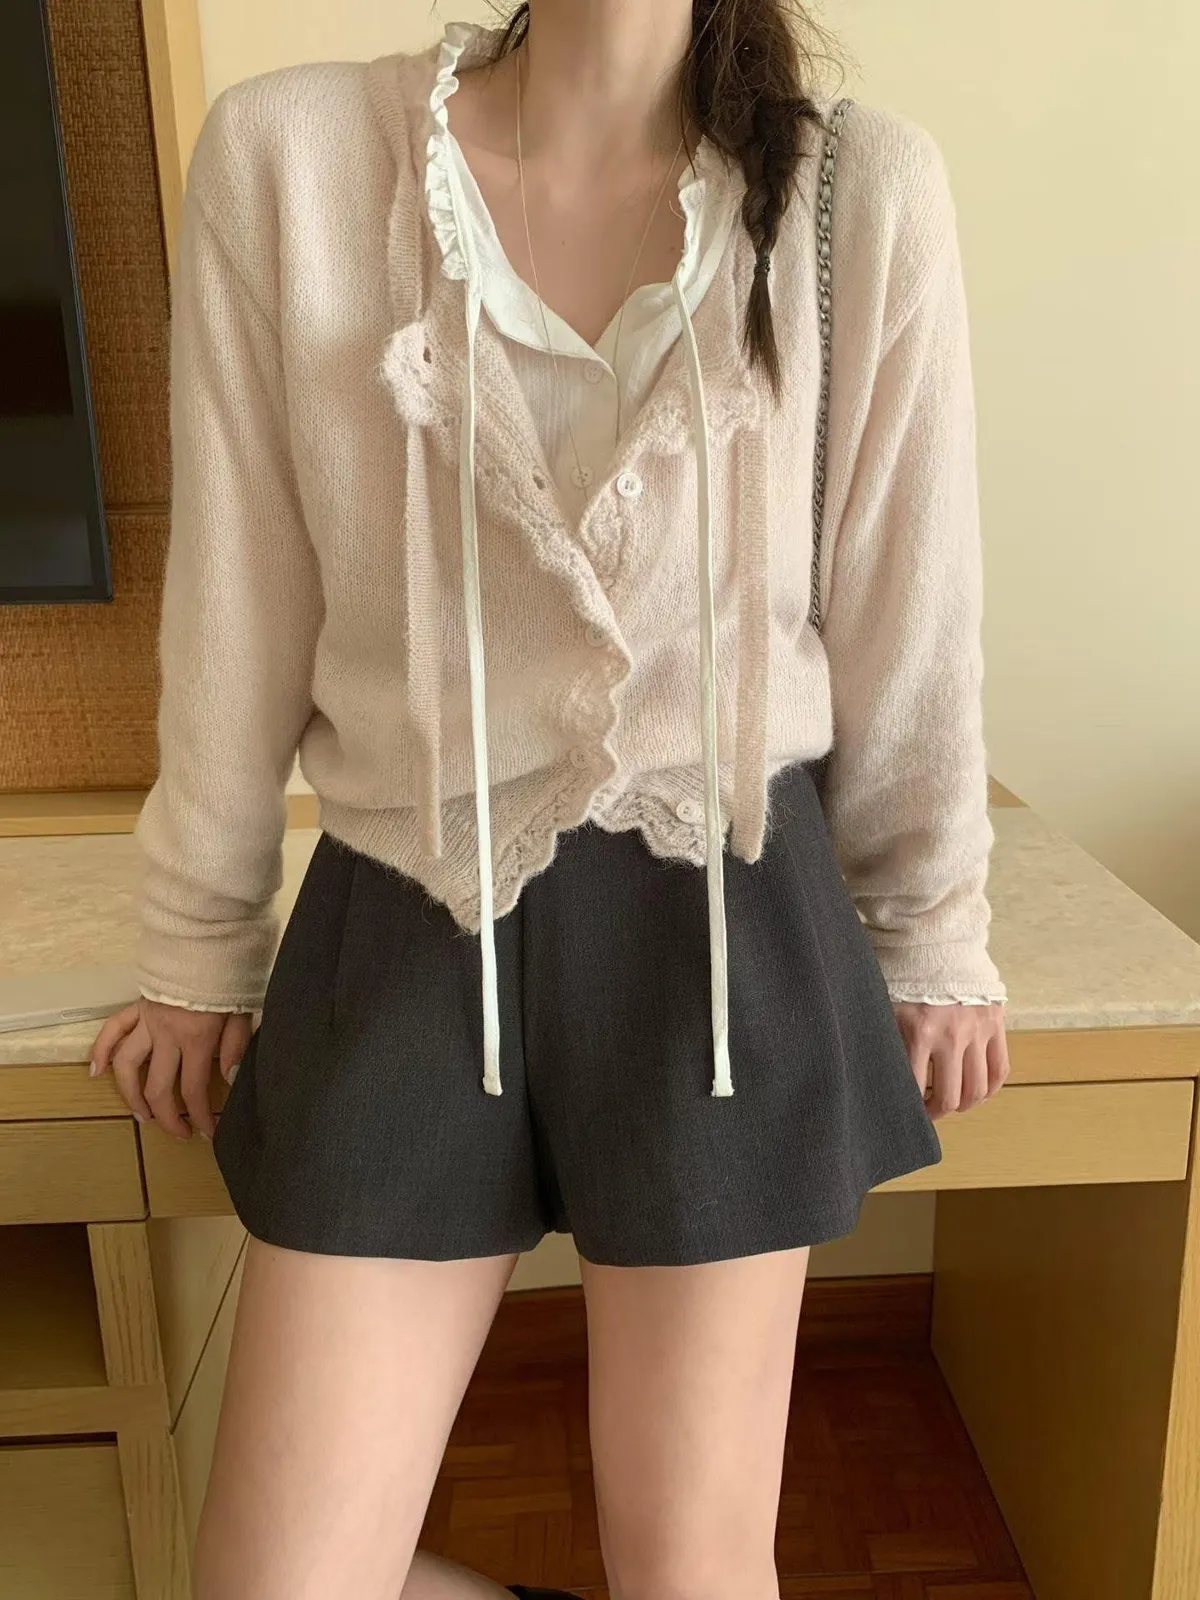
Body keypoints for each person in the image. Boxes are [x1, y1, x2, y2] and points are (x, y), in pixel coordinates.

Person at [91, 3, 1011, 1596]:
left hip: (724, 914)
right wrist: (197, 936)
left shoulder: (857, 195)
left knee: (693, 1570)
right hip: (406, 904)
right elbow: (242, 587)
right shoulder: (293, 159)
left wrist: (930, 925)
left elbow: (906, 605)